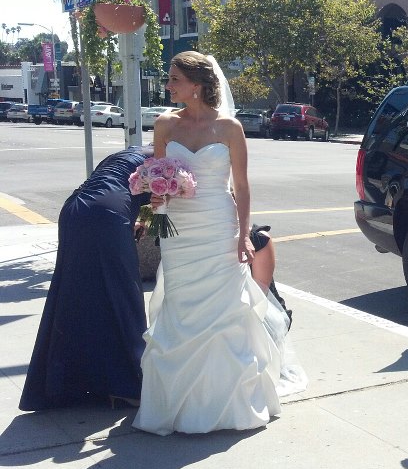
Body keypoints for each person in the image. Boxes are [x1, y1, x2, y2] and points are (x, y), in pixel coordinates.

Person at [133, 51, 305, 436]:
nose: (168, 85)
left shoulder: (229, 128)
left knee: (224, 312)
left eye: (175, 79)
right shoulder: (164, 125)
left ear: (196, 84)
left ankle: (227, 405)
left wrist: (244, 235)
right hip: (180, 230)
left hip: (217, 225)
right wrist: (146, 220)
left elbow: (241, 187)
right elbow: (157, 182)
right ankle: (177, 405)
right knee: (179, 306)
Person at [19, 146, 153, 411]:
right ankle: (125, 384)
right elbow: (157, 198)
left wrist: (137, 218)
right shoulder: (166, 157)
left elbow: (128, 190)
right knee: (123, 295)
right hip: (108, 214)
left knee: (73, 295)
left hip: (74, 210)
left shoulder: (127, 154)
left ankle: (65, 382)